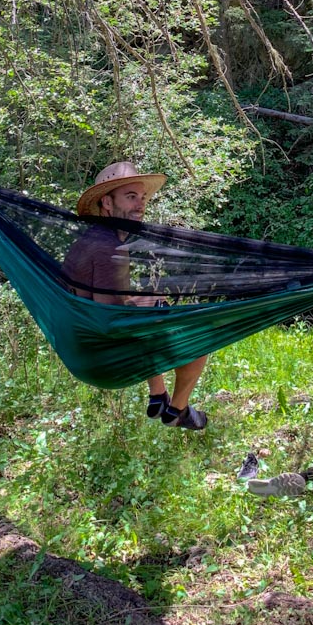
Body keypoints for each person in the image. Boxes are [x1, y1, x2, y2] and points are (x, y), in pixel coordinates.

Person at [63, 160, 208, 430]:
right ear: (107, 203)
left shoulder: (91, 239)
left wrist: (152, 305)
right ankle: (177, 410)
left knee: (150, 298)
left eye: (142, 197)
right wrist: (158, 315)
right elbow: (115, 320)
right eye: (130, 197)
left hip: (82, 346)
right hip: (101, 357)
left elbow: (110, 303)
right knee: (201, 338)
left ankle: (158, 396)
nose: (140, 205)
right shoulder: (111, 250)